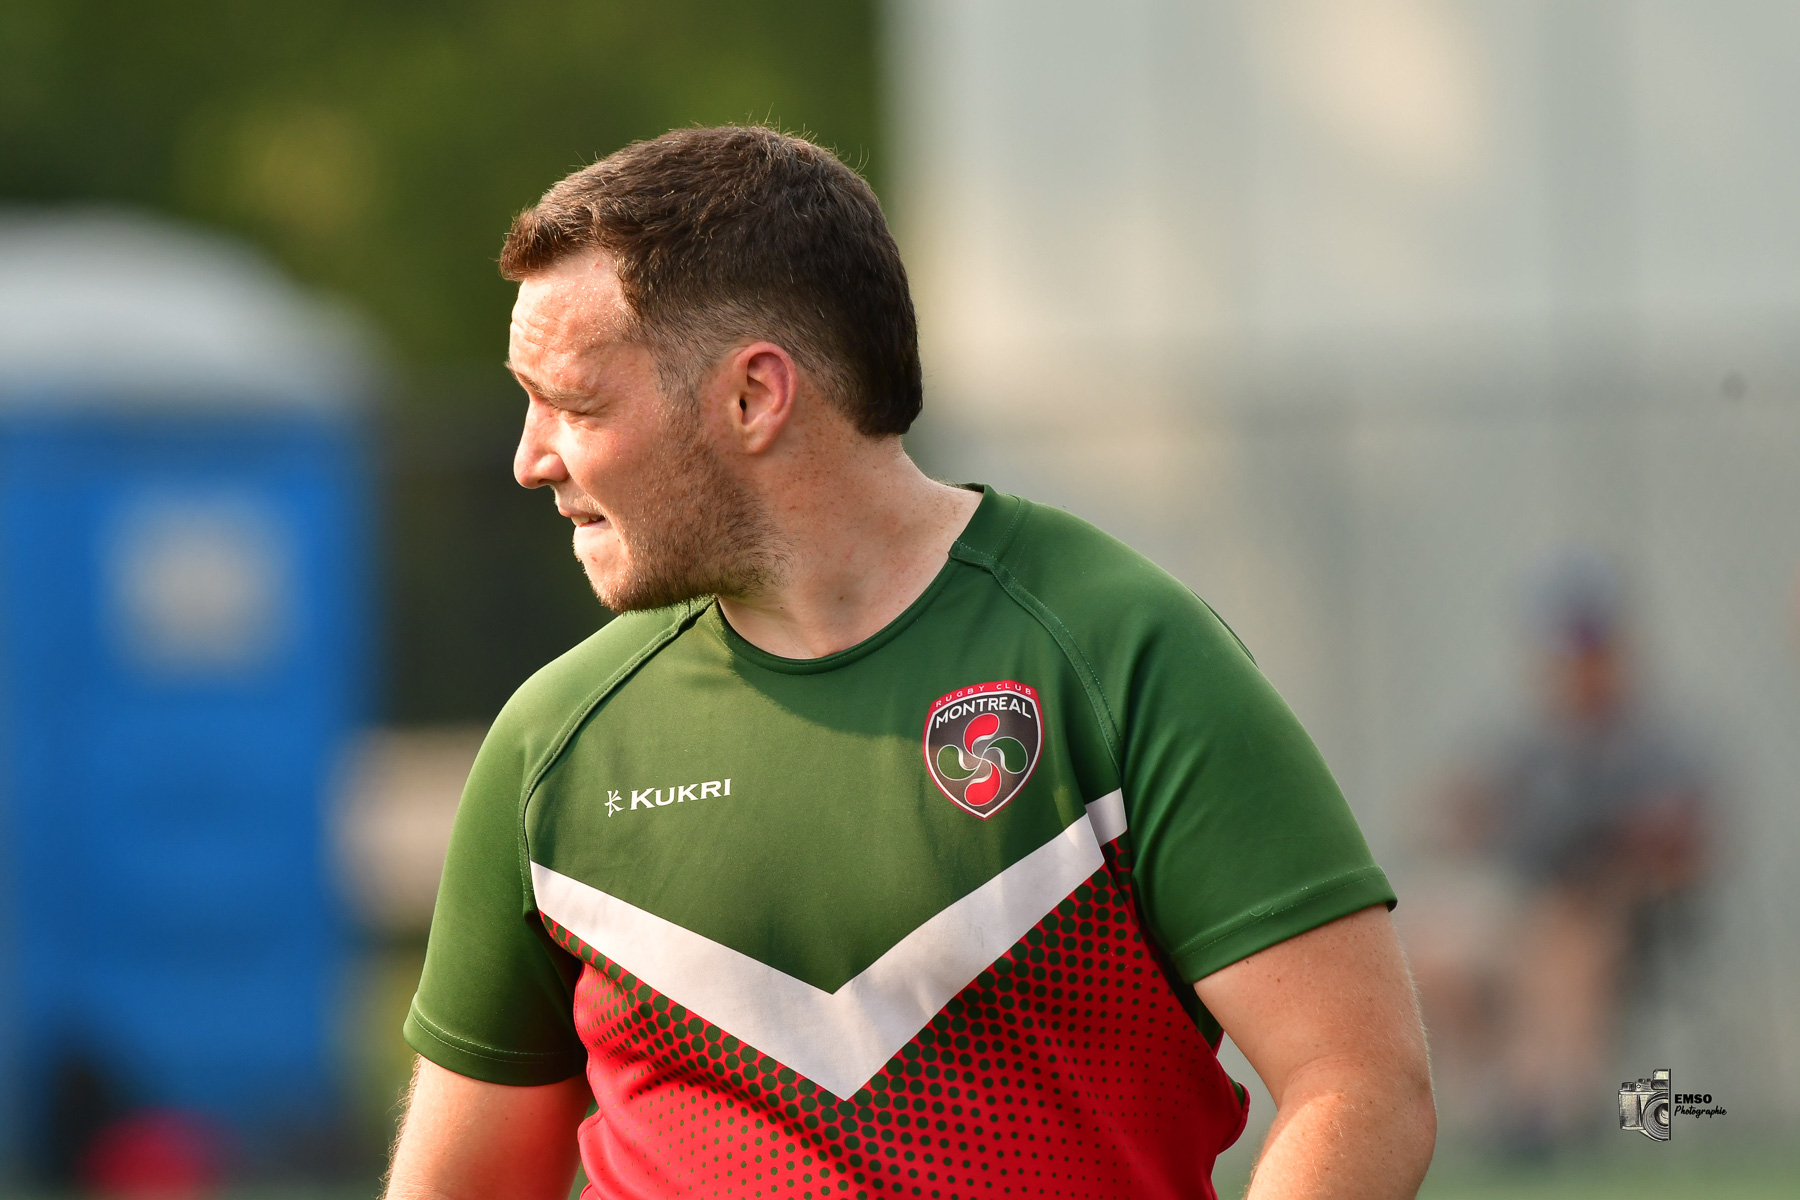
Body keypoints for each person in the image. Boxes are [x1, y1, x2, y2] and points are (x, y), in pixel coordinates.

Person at [384, 126, 1434, 1200]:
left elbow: (1358, 1083)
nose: (530, 457)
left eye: (575, 402)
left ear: (754, 397)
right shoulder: (552, 744)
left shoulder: (1121, 657)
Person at [1408, 553, 1712, 1153]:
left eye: (1591, 650)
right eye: (1566, 653)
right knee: (1432, 942)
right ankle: (1499, 1109)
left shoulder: (1660, 743)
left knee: (1569, 936)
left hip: (1625, 922)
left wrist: (1634, 852)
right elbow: (1450, 816)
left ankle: (1556, 1114)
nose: (1578, 668)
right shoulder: (1528, 744)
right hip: (1526, 909)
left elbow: (1686, 851)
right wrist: (1464, 817)